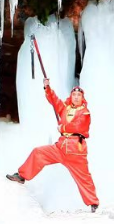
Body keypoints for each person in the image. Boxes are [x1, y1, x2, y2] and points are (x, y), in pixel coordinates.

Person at [6, 80, 99, 212]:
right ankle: (22, 176)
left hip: (75, 151)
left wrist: (63, 126)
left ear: (82, 98)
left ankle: (93, 203)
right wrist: (47, 87)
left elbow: (79, 126)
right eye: (74, 94)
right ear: (71, 96)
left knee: (84, 177)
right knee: (38, 152)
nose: (76, 97)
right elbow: (54, 101)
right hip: (60, 148)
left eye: (79, 95)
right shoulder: (66, 109)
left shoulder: (85, 112)